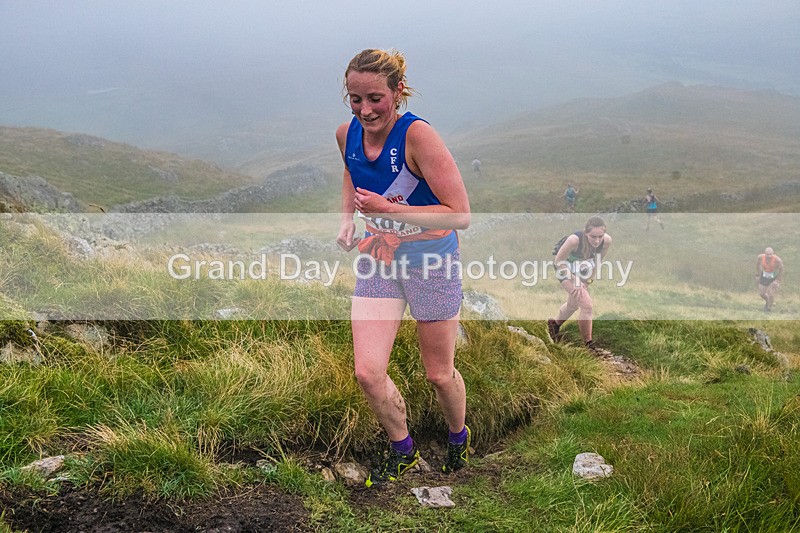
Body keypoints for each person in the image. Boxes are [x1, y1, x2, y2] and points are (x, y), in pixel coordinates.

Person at [335, 49, 472, 488]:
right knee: (367, 372)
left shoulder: (418, 137)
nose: (365, 109)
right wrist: (347, 218)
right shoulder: (346, 134)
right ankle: (404, 451)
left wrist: (382, 208)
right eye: (355, 99)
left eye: (375, 98)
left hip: (432, 260)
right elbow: (351, 172)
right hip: (381, 258)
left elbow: (459, 214)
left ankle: (458, 438)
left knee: (439, 373)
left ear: (397, 92)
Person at [547, 217, 613, 355]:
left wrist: (588, 279)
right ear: (585, 233)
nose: (596, 241)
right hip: (564, 268)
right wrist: (575, 279)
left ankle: (554, 325)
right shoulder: (574, 240)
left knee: (573, 305)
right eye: (593, 237)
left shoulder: (606, 241)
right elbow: (558, 261)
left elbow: (597, 261)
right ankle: (588, 345)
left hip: (582, 268)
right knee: (586, 305)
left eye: (600, 236)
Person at [756, 247, 783, 312]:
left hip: (774, 276)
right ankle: (768, 302)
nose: (769, 256)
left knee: (771, 294)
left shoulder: (777, 260)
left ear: (773, 253)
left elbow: (781, 269)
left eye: (770, 254)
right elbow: (757, 265)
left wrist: (778, 280)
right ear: (764, 253)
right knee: (762, 293)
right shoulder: (760, 257)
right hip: (765, 275)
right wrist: (758, 274)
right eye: (767, 254)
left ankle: (768, 309)